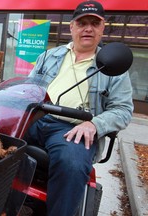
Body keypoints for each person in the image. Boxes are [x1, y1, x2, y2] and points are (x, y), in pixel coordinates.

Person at [26, 1, 133, 215]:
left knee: (72, 164)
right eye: (82, 22)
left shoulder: (113, 68)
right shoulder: (48, 56)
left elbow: (123, 110)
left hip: (71, 129)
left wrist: (94, 124)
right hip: (36, 117)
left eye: (95, 23)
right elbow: (27, 90)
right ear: (72, 27)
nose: (88, 28)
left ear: (102, 29)